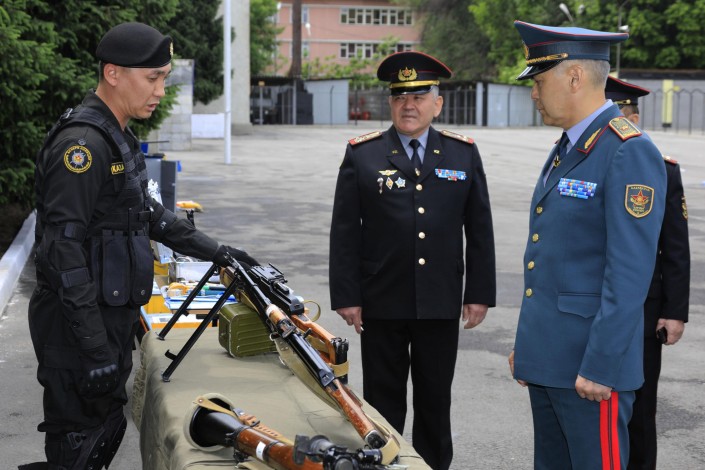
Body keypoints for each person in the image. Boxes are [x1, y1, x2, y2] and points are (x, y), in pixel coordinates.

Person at [25, 22, 257, 470]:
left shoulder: (118, 136)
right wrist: (94, 348)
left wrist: (220, 252)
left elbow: (150, 216)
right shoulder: (83, 147)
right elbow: (61, 253)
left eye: (164, 78)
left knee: (102, 434)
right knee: (78, 446)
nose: (160, 91)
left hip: (105, 321)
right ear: (113, 73)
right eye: (152, 78)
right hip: (75, 332)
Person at [507, 21, 667, 469]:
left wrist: (601, 365)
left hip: (590, 371)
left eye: (539, 81)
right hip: (551, 360)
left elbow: (629, 273)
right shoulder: (569, 146)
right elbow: (550, 259)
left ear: (574, 77)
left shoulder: (626, 150)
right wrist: (531, 345)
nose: (533, 94)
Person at [329, 51, 496, 470]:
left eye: (419, 96)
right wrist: (347, 296)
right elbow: (345, 231)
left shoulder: (462, 154)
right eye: (400, 96)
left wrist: (478, 294)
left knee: (436, 399)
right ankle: (386, 464)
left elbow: (479, 230)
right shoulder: (363, 154)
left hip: (440, 300)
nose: (409, 105)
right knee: (382, 401)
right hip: (382, 299)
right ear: (390, 103)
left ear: (437, 104)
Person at [605, 76, 690, 470]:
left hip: (642, 313)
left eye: (615, 112)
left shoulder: (661, 168)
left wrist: (674, 312)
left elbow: (675, 246)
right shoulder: (579, 162)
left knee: (639, 412)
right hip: (590, 306)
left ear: (634, 118)